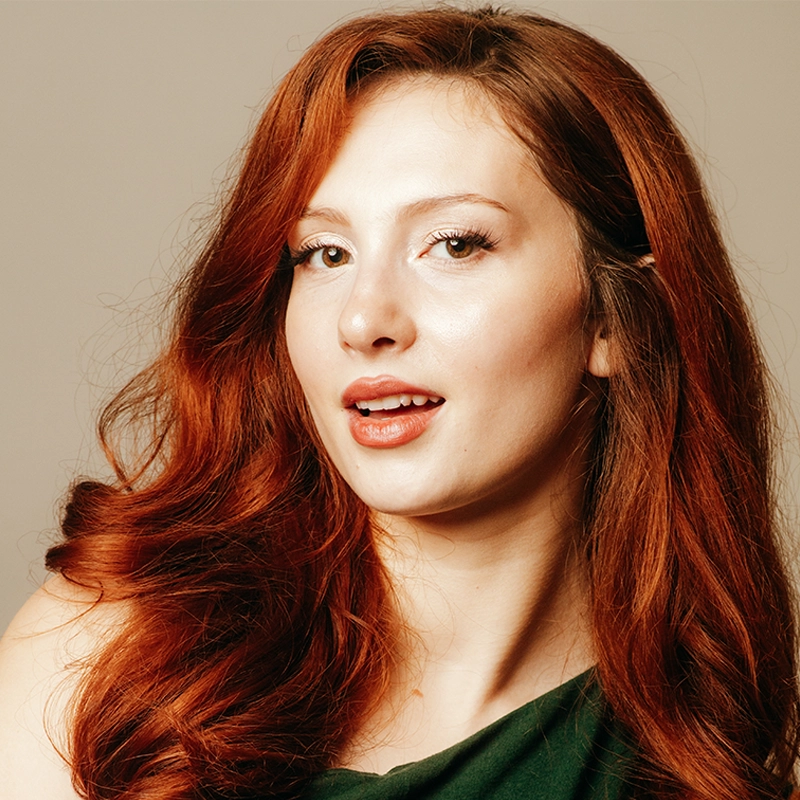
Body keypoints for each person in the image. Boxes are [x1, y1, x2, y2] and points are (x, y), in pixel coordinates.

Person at [0, 5, 797, 799]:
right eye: (325, 253)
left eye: (454, 244)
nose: (363, 318)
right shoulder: (109, 662)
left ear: (617, 318)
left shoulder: (705, 763)